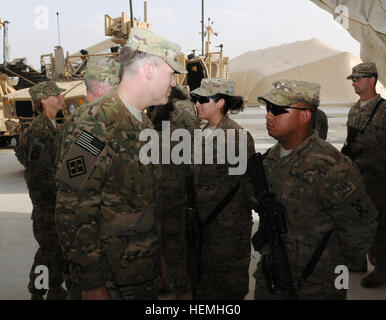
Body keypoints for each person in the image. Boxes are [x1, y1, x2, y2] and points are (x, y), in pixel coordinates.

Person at [55, 27, 186, 300]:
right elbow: (73, 208)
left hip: (141, 272)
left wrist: (157, 256)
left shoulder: (144, 122)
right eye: (171, 73)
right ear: (149, 69)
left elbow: (148, 200)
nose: (173, 83)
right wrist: (92, 284)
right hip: (109, 281)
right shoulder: (95, 123)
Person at [253, 79, 378, 300]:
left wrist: (330, 264)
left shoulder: (332, 166)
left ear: (305, 116)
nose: (268, 115)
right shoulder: (268, 160)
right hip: (271, 278)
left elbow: (361, 226)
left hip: (316, 286)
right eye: (268, 108)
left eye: (277, 109)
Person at [55, 56, 121, 299]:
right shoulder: (91, 125)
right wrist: (91, 275)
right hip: (91, 253)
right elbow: (71, 199)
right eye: (117, 85)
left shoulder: (92, 118)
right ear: (103, 86)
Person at [188, 78, 255, 299]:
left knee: (228, 287)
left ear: (220, 103)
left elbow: (249, 186)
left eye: (202, 100)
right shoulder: (203, 132)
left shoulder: (237, 138)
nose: (197, 104)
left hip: (227, 230)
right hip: (203, 225)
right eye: (195, 99)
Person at [147, 85, 200, 299]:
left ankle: (175, 285)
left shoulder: (172, 108)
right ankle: (174, 283)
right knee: (173, 241)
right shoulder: (179, 107)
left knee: (172, 241)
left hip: (170, 186)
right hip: (173, 184)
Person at [20, 81, 68, 300]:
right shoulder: (40, 130)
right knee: (48, 251)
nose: (61, 98)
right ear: (43, 100)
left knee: (57, 250)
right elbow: (41, 173)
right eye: (56, 95)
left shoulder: (51, 125)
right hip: (47, 204)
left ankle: (55, 288)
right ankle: (37, 291)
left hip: (53, 202)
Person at [344, 62, 386, 288]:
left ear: (372, 80)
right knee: (358, 219)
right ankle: (358, 259)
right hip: (358, 177)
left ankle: (381, 267)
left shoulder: (383, 110)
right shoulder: (354, 109)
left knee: (378, 224)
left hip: (379, 178)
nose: (354, 82)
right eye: (352, 79)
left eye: (358, 78)